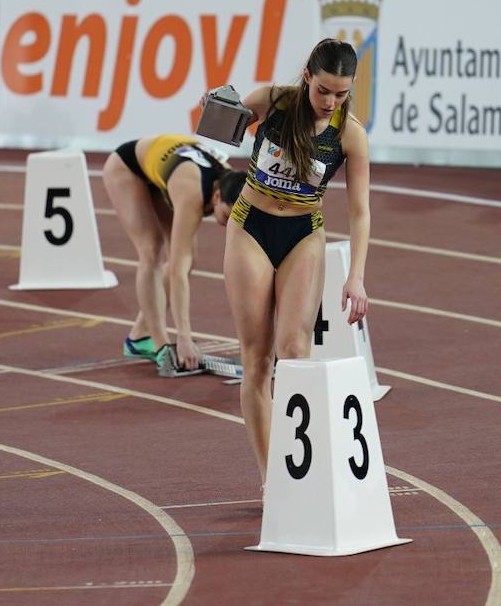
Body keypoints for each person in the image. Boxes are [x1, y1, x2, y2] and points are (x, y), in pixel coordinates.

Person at [218, 40, 371, 483]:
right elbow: (221, 124)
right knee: (258, 359)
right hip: (251, 227)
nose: (330, 102)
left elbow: (360, 211)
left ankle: (296, 468)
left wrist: (356, 276)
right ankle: (271, 477)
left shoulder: (350, 135)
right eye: (324, 90)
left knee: (295, 353)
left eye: (341, 94)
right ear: (307, 76)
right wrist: (219, 108)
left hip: (304, 233)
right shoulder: (274, 101)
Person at [102, 134, 246, 374]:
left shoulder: (238, 186)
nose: (230, 223)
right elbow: (177, 271)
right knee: (152, 250)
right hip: (128, 167)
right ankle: (159, 343)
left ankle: (139, 335)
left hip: (164, 170)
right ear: (217, 196)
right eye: (227, 216)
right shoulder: (192, 193)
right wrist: (184, 338)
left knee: (190, 259)